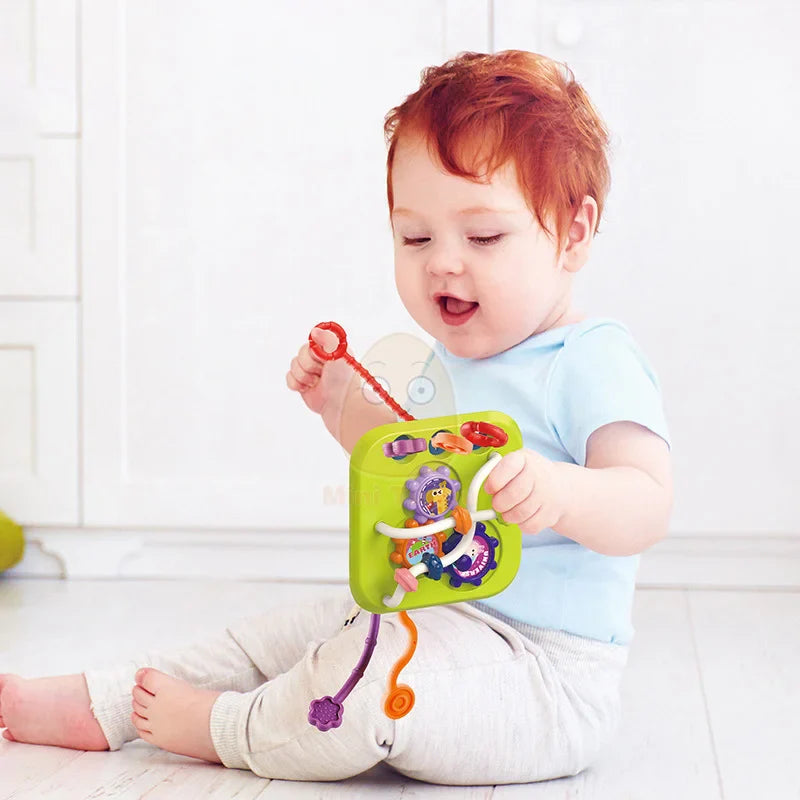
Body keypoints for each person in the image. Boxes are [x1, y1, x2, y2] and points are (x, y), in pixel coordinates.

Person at [0, 50, 672, 785]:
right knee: (283, 636)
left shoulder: (589, 359)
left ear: (573, 234)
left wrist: (563, 493)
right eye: (416, 237)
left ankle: (226, 728)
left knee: (365, 677)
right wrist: (338, 401)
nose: (443, 263)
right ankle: (107, 701)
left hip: (541, 675)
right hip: (437, 619)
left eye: (483, 238)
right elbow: (403, 466)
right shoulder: (447, 361)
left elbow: (646, 502)